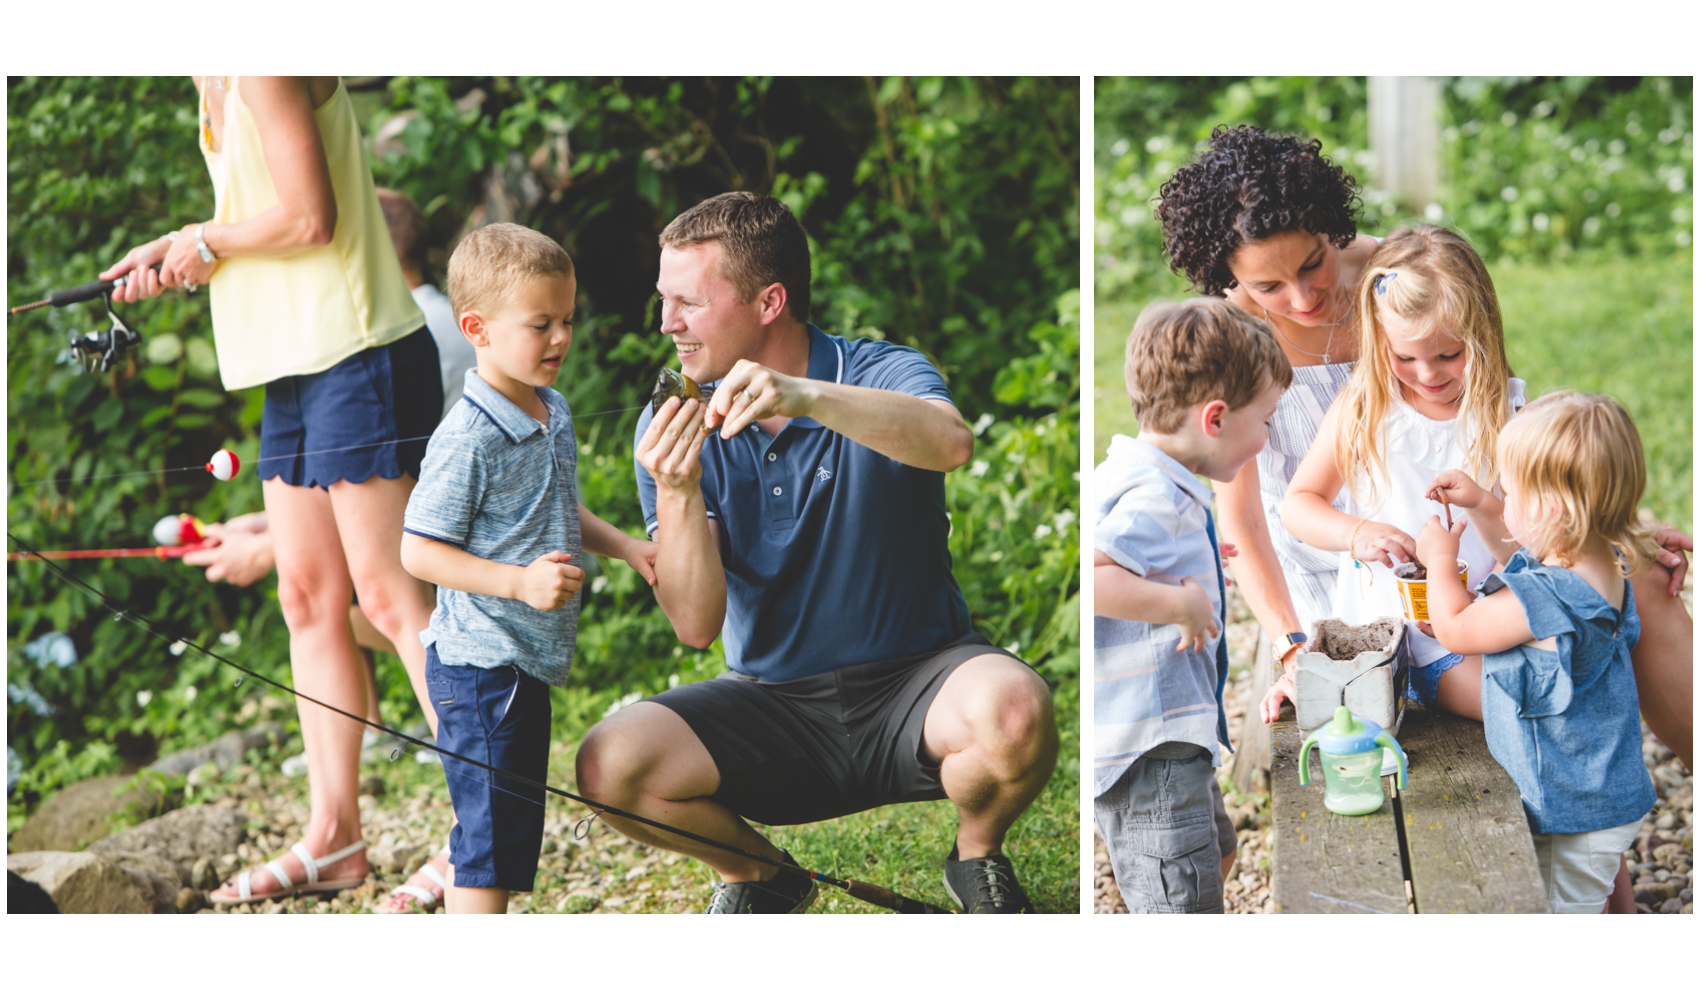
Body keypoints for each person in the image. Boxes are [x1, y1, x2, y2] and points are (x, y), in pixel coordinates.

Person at [574, 192, 1057, 913]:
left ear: (769, 301)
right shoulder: (670, 417)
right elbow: (695, 624)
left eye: (689, 302)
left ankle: (977, 855)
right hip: (773, 703)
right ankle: (766, 877)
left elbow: (951, 442)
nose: (668, 323)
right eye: (663, 300)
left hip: (920, 684)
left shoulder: (876, 369)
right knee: (609, 763)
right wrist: (675, 492)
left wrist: (808, 398)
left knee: (1015, 709)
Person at [1156, 125, 1692, 769]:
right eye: (1268, 288)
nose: (1301, 299)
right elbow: (1242, 523)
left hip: (1476, 547)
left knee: (1648, 580)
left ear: (1331, 229)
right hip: (1342, 570)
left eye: (1311, 265)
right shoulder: (1228, 340)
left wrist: (1606, 531)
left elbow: (1503, 432)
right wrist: (1297, 648)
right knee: (1504, 657)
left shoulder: (1405, 280)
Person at [103, 77, 442, 904]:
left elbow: (308, 217)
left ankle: (488, 824)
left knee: (393, 600)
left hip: (357, 348)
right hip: (288, 366)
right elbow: (253, 222)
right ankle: (334, 840)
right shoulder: (206, 71)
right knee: (305, 599)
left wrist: (205, 240)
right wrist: (182, 248)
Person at [399, 223, 656, 914]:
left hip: (522, 664)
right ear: (476, 328)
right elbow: (417, 550)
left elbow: (557, 506)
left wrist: (628, 547)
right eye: (540, 324)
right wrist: (517, 582)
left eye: (568, 320)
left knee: (507, 836)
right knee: (485, 846)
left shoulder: (553, 409)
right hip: (480, 671)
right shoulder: (469, 435)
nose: (561, 338)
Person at [1414, 392, 1658, 913]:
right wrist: (1482, 503)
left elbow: (1455, 629)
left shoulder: (1549, 596)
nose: (1505, 500)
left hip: (1569, 812)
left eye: (1510, 491)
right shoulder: (1601, 561)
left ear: (1551, 508)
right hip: (1599, 789)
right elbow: (1522, 552)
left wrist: (1439, 561)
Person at [1094, 297, 1291, 913]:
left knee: (1213, 856)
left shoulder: (1150, 476)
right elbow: (1095, 577)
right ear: (1215, 419)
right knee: (1177, 903)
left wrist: (1201, 551)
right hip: (1148, 749)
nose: (1268, 436)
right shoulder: (1156, 496)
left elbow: (1138, 552)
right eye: (1265, 420)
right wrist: (1178, 603)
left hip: (1178, 737)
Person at [1283, 226, 1520, 718]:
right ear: (1378, 339)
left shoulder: (1508, 411)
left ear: (1482, 335)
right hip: (1407, 644)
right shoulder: (1367, 406)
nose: (1428, 374)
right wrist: (1358, 532)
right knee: (1519, 702)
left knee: (1574, 674)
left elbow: (1532, 533)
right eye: (1405, 357)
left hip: (1494, 618)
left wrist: (1496, 583)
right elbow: (1299, 503)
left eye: (1448, 355)